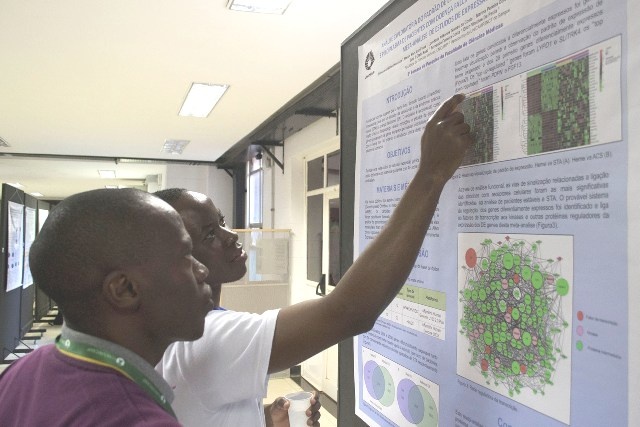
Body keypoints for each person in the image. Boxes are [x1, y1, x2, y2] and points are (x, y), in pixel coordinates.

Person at [155, 93, 474, 426]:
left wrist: (261, 420)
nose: (230, 234)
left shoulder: (175, 333)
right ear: (176, 257)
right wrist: (431, 174)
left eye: (221, 221)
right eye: (209, 235)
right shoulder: (206, 337)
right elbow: (349, 311)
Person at [0, 188, 213, 426]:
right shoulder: (137, 419)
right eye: (185, 255)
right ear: (125, 289)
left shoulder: (22, 371)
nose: (202, 270)